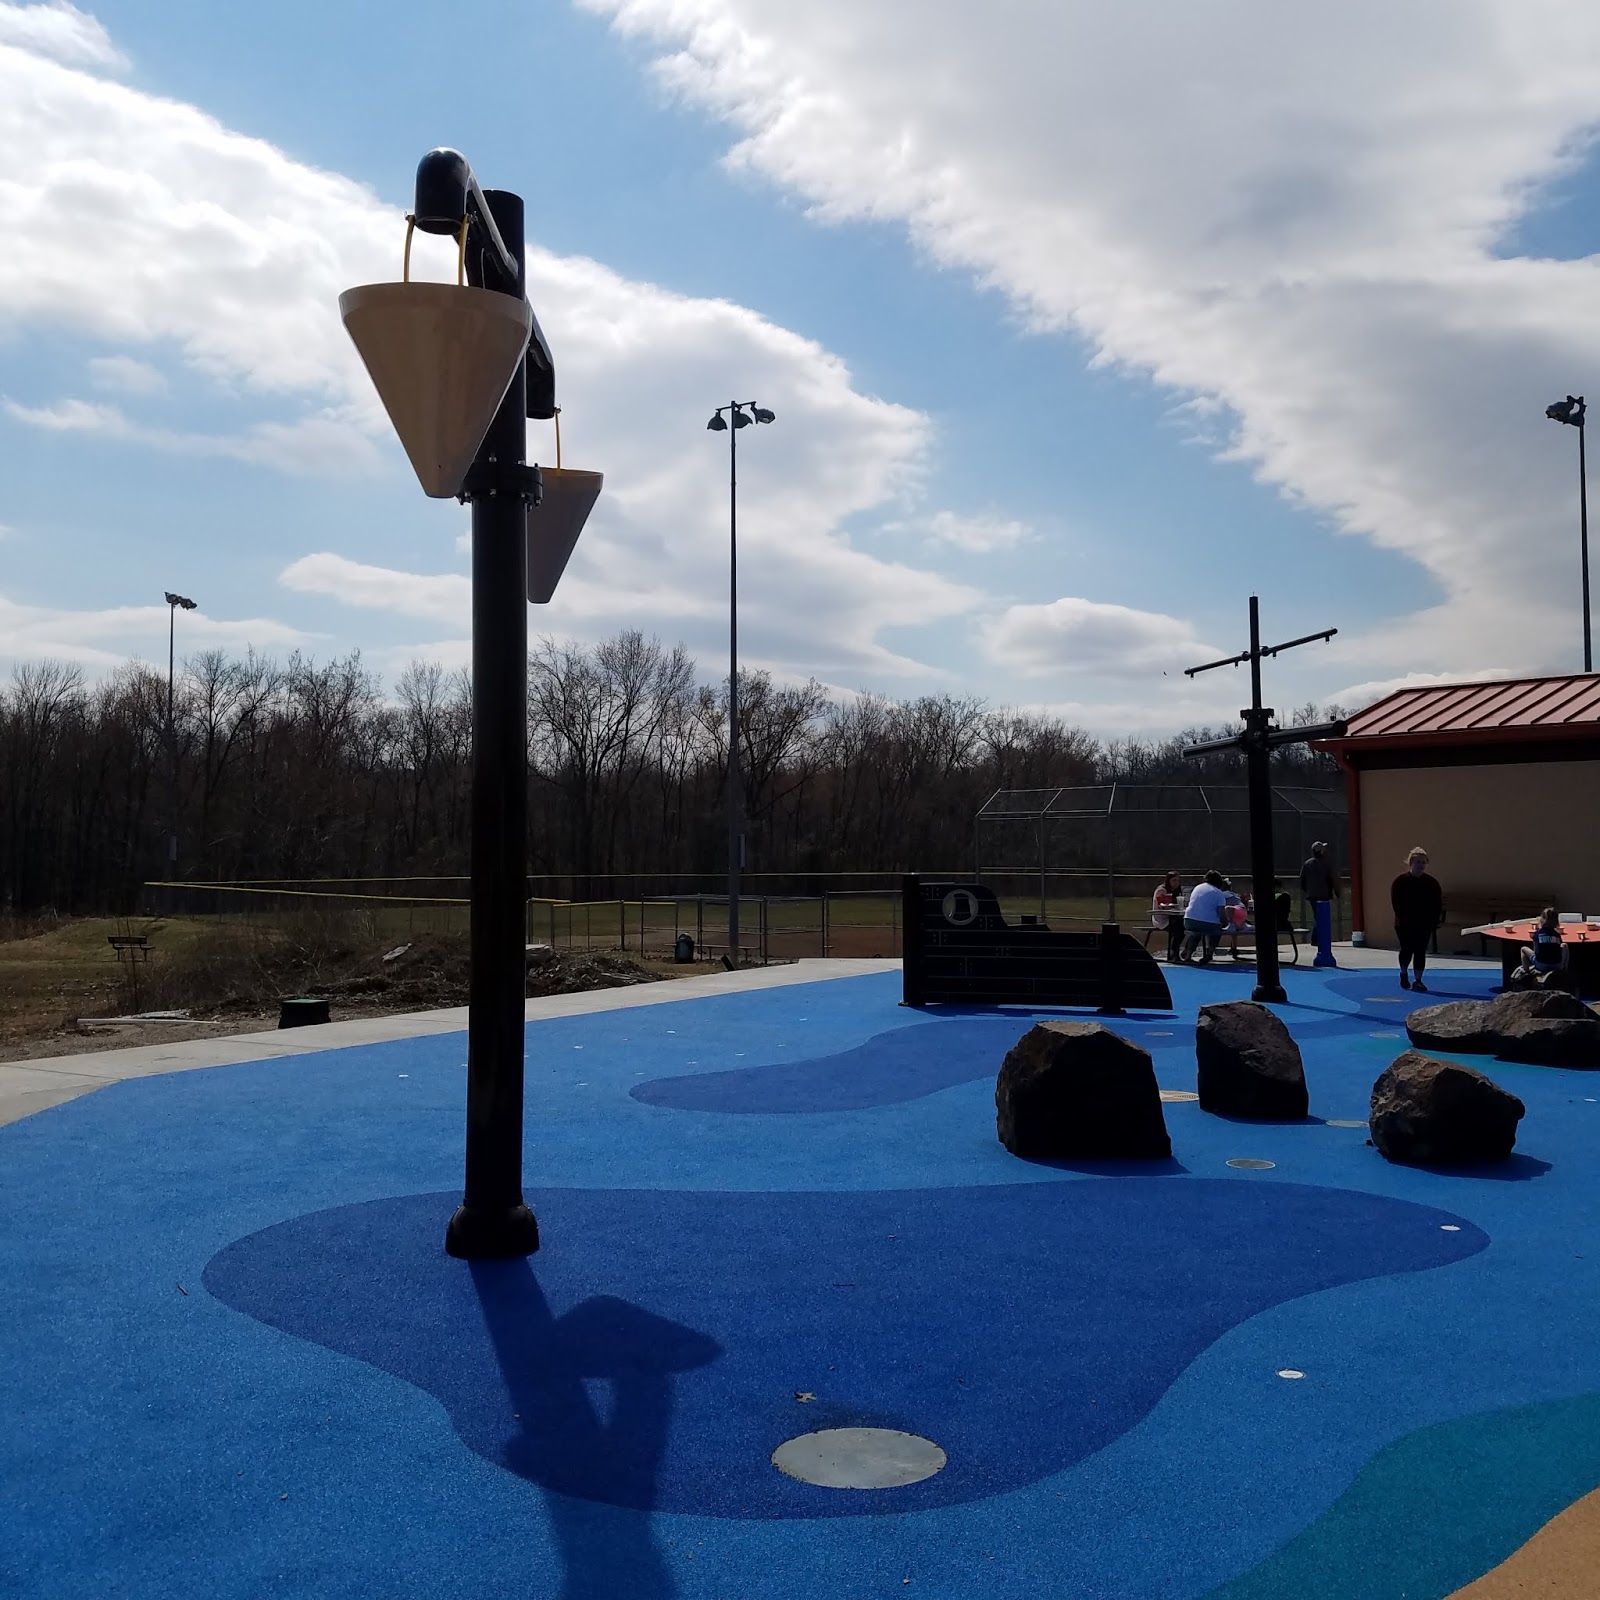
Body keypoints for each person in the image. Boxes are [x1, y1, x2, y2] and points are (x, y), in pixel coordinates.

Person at [1389, 845, 1443, 992]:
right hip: (1404, 923)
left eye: (1423, 862)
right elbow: (1396, 903)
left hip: (1424, 923)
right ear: (1411, 863)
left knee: (1420, 950)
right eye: (1418, 862)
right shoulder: (1400, 882)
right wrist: (1403, 920)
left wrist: (1434, 920)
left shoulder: (1432, 883)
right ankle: (1404, 972)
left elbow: (1437, 903)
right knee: (1407, 949)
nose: (1420, 865)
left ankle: (1418, 980)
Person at [1300, 840, 1340, 968]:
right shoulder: (1327, 864)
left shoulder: (1307, 864)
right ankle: (1316, 938)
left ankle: (1316, 938)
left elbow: (1302, 880)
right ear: (1320, 851)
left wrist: (1307, 890)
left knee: (1317, 916)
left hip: (1312, 895)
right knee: (1320, 918)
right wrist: (1336, 892)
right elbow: (1332, 878)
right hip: (1323, 895)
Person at [1180, 870, 1231, 964]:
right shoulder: (1219, 893)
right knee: (1216, 931)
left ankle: (1188, 954)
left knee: (1196, 932)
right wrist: (1225, 922)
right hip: (1207, 923)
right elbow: (1221, 913)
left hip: (1189, 920)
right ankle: (1209, 954)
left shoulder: (1197, 888)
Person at [1513, 907, 1569, 988]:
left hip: (1541, 965)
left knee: (1523, 949)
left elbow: (1536, 952)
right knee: (1564, 945)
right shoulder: (1557, 934)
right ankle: (1564, 968)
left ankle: (1526, 971)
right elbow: (1557, 948)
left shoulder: (1537, 934)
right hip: (1556, 964)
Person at [1151, 871, 1186, 964]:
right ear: (1168, 880)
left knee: (1184, 927)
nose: (1176, 883)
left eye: (1178, 880)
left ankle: (1180, 952)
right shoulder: (1161, 890)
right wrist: (1171, 906)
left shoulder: (1176, 891)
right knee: (1178, 929)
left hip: (1174, 918)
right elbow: (1161, 905)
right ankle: (1173, 954)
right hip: (1161, 919)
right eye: (1174, 880)